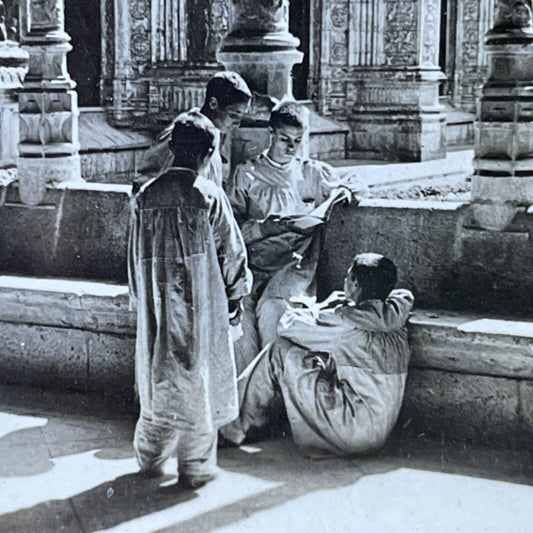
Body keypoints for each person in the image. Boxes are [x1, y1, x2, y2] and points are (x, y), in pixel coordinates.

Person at [128, 110, 252, 488]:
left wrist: (140, 299)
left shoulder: (146, 196)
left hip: (158, 306)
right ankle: (196, 467)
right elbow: (232, 254)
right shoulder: (209, 196)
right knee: (199, 378)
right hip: (201, 305)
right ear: (210, 153)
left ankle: (149, 458)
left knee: (157, 377)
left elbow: (134, 256)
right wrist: (235, 296)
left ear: (172, 147)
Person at [221, 253, 414, 457]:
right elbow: (404, 295)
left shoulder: (344, 323)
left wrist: (319, 307)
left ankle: (228, 428)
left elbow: (286, 326)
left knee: (278, 352)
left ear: (356, 284)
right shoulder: (395, 316)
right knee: (319, 359)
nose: (344, 282)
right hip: (377, 432)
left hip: (351, 429)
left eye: (348, 278)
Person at [227, 101, 362, 374]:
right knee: (239, 311)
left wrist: (346, 192)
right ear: (271, 134)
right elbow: (230, 229)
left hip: (294, 264)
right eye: (285, 140)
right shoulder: (247, 173)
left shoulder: (312, 172)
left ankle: (277, 386)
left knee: (274, 310)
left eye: (298, 141)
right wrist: (264, 228)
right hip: (254, 260)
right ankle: (249, 390)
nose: (291, 148)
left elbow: (355, 184)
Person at [137, 70, 253, 190]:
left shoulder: (217, 133)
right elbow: (145, 180)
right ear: (213, 104)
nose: (237, 124)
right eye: (233, 115)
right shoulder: (184, 133)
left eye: (241, 117)